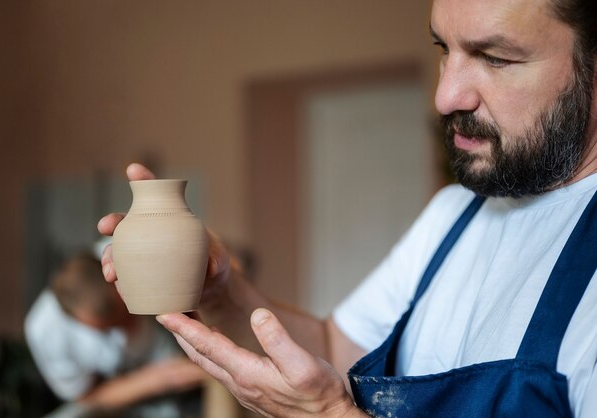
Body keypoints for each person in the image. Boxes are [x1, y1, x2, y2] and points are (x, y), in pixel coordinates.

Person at [98, 0, 597, 416]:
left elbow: (328, 398)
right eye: (444, 49)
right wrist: (222, 290)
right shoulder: (454, 215)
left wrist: (331, 414)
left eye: (495, 59)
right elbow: (334, 352)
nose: (445, 96)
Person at [25, 252, 205, 417]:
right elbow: (86, 397)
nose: (127, 328)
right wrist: (160, 379)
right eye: (110, 326)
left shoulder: (121, 256)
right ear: (81, 323)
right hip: (117, 388)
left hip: (165, 344)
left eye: (126, 314)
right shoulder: (46, 333)